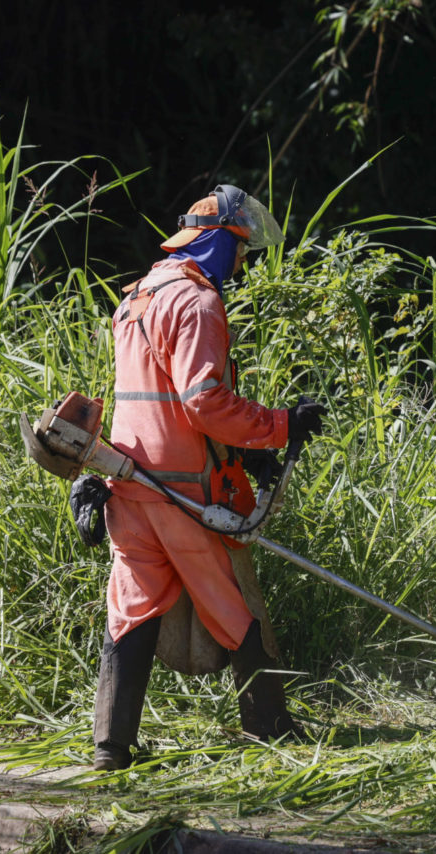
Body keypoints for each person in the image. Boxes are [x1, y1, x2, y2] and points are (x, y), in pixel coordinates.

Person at [90, 184, 326, 771]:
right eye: (241, 248)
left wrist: (241, 453)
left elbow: (158, 401)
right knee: (230, 604)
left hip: (130, 479)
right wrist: (279, 426)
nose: (243, 262)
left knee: (132, 608)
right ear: (219, 243)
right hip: (182, 492)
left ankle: (109, 748)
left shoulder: (138, 295)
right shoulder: (196, 302)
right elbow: (203, 401)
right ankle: (270, 727)